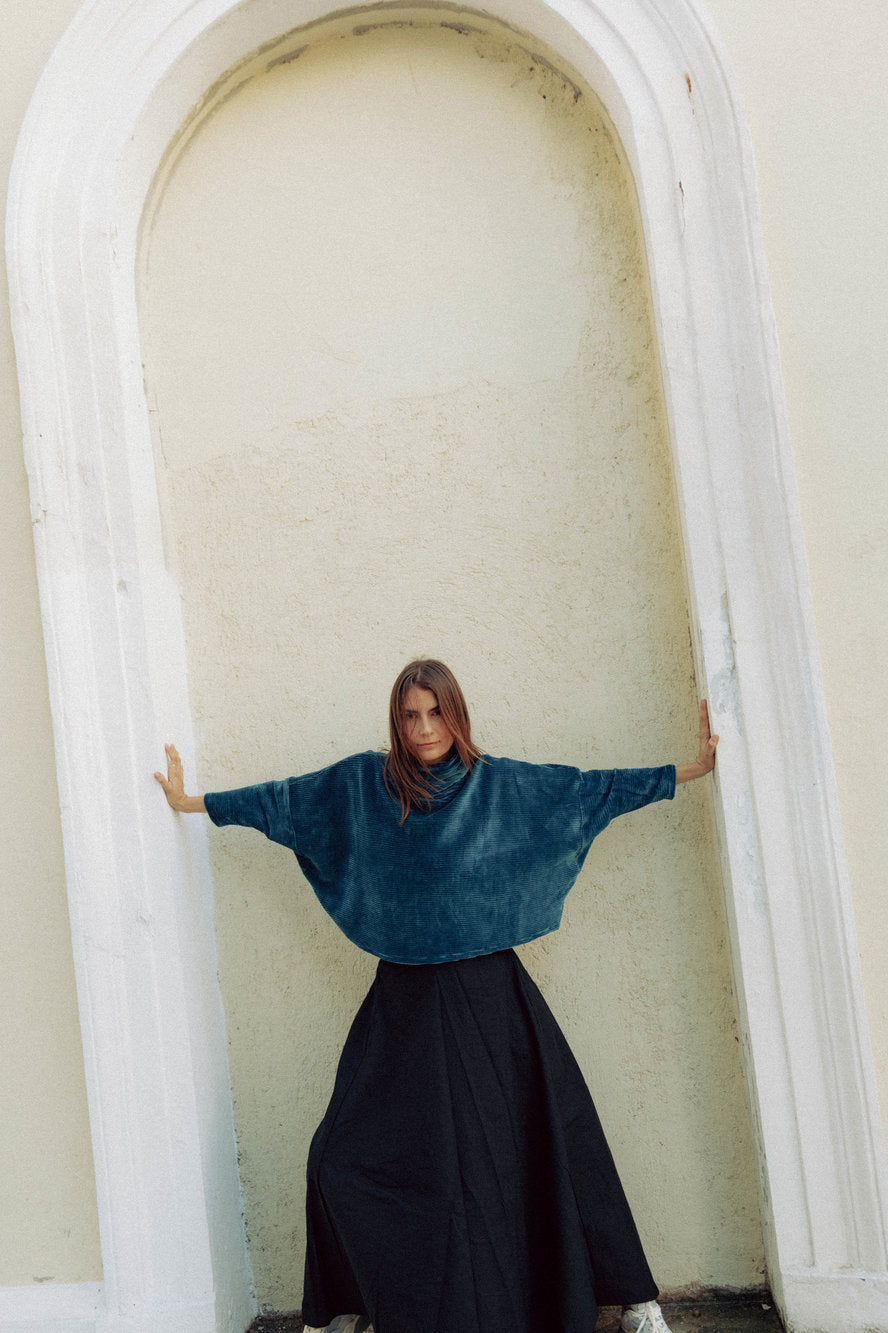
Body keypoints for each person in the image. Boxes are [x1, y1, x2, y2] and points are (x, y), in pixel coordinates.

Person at [155, 659, 719, 1333]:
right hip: (405, 999)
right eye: (409, 714)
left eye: (435, 712)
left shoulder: (501, 787)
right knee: (341, 1154)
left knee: (551, 1143)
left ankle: (634, 1300)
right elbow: (285, 801)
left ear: (457, 713)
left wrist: (688, 770)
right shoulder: (365, 785)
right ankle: (349, 1303)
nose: (423, 728)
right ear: (396, 720)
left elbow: (588, 792)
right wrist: (194, 804)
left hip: (491, 997)